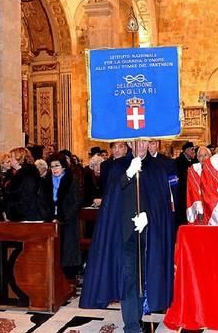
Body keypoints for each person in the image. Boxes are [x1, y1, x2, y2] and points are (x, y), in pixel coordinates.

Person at [80, 140, 175, 333]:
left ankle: (138, 316)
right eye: (136, 142)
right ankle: (132, 326)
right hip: (125, 234)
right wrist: (128, 175)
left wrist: (149, 216)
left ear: (150, 143)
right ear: (130, 143)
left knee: (144, 277)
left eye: (145, 142)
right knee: (129, 277)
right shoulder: (119, 166)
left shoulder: (158, 168)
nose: (140, 145)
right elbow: (112, 197)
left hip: (150, 234)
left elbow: (162, 203)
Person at [41, 153, 83, 278]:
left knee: (68, 251)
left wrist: (63, 217)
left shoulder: (72, 179)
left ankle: (69, 278)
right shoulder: (46, 181)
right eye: (52, 166)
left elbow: (77, 201)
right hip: (50, 220)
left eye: (57, 166)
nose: (54, 169)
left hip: (67, 220)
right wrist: (48, 216)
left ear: (63, 166)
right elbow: (41, 201)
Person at [3, 147, 42, 221]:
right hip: (16, 216)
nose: (9, 159)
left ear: (19, 159)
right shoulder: (14, 174)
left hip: (25, 217)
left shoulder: (29, 174)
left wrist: (15, 211)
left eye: (11, 157)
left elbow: (29, 199)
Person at [173, 142, 198, 227]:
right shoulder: (178, 162)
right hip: (182, 193)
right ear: (186, 150)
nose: (193, 152)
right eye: (192, 149)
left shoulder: (194, 161)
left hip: (191, 192)